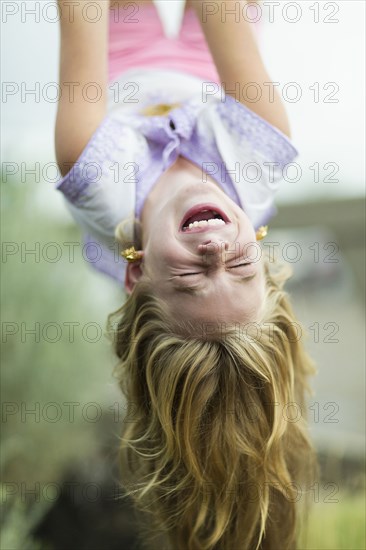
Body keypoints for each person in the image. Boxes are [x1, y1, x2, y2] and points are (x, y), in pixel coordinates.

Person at [55, 1, 317, 548]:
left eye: (192, 277)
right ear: (262, 253)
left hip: (120, 59)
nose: (216, 251)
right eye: (242, 265)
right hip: (210, 65)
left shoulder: (93, 168)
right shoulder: (257, 155)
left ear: (139, 277)